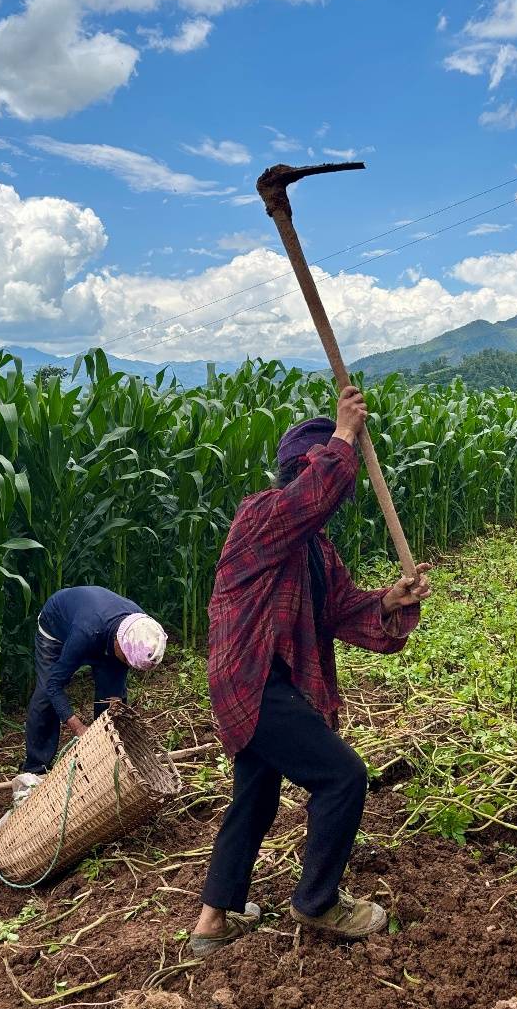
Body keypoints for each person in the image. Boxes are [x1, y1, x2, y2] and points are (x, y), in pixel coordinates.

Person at [190, 386, 433, 958]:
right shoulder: (262, 515)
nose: (337, 493)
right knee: (342, 777)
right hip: (255, 679)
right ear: (304, 469)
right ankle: (317, 902)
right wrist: (344, 434)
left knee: (255, 795)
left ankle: (211, 922)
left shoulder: (317, 551)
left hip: (268, 686)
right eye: (328, 472)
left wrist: (390, 600)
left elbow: (343, 610)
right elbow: (311, 498)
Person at [10, 586, 168, 802]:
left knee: (111, 698)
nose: (127, 665)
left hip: (102, 632)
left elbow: (116, 685)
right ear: (119, 644)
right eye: (126, 660)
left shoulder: (141, 628)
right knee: (46, 697)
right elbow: (55, 685)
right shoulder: (86, 632)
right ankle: (35, 769)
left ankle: (104, 760)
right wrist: (78, 728)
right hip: (56, 628)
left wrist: (114, 707)